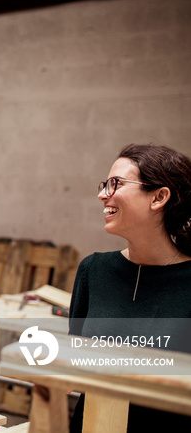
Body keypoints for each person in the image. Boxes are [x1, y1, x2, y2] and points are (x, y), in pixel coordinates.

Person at [68, 143, 191, 432]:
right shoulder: (93, 270)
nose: (102, 195)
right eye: (104, 185)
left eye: (116, 184)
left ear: (158, 197)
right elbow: (74, 364)